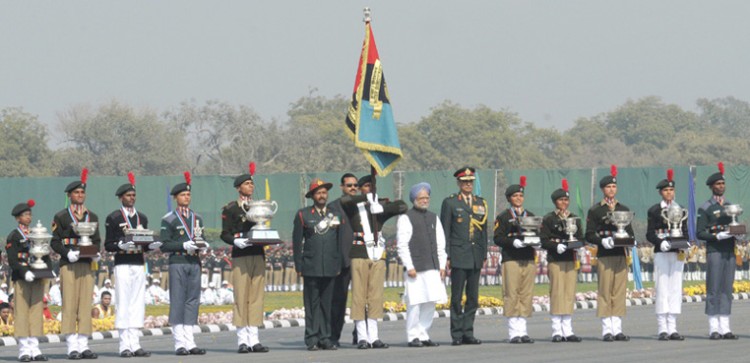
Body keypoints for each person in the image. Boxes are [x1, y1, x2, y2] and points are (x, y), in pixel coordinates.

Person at [340, 175, 408, 349]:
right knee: (359, 297)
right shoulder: (354, 206)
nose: (369, 189)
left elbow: (402, 206)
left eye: (372, 187)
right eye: (366, 187)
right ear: (361, 189)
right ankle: (362, 336)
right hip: (360, 253)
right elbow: (345, 200)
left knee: (375, 296)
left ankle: (374, 336)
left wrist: (381, 205)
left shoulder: (379, 207)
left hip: (377, 255)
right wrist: (366, 198)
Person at [104, 173, 162, 357]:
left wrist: (151, 246)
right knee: (123, 302)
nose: (132, 198)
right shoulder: (113, 217)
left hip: (138, 263)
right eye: (128, 195)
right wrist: (120, 246)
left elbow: (143, 241)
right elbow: (108, 244)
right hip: (122, 263)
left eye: (134, 195)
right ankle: (124, 345)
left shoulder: (142, 218)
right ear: (121, 197)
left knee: (137, 303)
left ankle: (135, 343)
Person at [50, 168, 101, 359]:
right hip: (69, 264)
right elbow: (54, 242)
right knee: (70, 303)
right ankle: (72, 345)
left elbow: (96, 241)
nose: (80, 195)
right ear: (69, 195)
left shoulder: (92, 216)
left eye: (82, 192)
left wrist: (95, 253)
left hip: (87, 264)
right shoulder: (61, 216)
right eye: (76, 192)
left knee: (85, 304)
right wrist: (66, 253)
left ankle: (84, 344)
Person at [219, 163, 270, 353]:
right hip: (241, 254)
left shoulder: (259, 207)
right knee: (241, 296)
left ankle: (254, 338)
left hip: (257, 254)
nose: (251, 186)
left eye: (252, 183)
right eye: (247, 184)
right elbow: (224, 234)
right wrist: (235, 241)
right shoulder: (232, 209)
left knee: (256, 297)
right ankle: (242, 339)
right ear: (239, 187)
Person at [160, 172, 208, 355]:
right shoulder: (169, 219)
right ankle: (179, 342)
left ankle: (190, 341)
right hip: (178, 261)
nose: (186, 197)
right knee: (178, 300)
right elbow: (164, 245)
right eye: (182, 195)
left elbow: (200, 237)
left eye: (188, 195)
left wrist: (203, 244)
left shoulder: (197, 218)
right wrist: (182, 244)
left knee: (193, 300)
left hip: (194, 261)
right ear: (175, 198)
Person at [292, 178, 342, 351]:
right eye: (319, 192)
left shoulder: (335, 214)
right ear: (312, 196)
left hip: (330, 265)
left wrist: (338, 264)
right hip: (311, 265)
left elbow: (339, 241)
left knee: (327, 304)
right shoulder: (303, 214)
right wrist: (298, 266)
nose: (322, 195)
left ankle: (326, 338)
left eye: (324, 192)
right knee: (312, 304)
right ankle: (312, 338)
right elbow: (297, 242)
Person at [585, 165, 633, 342]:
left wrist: (628, 240)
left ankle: (618, 328)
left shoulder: (623, 208)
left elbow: (631, 233)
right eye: (608, 187)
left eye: (614, 186)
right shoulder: (596, 210)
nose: (611, 189)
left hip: (620, 254)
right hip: (605, 254)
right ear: (602, 189)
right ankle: (607, 329)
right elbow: (588, 234)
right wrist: (602, 241)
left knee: (619, 291)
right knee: (605, 291)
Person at [441, 167, 488, 346]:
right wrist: (446, 255)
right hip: (458, 255)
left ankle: (468, 332)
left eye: (470, 182)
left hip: (475, 255)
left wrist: (483, 253)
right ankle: (456, 334)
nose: (468, 185)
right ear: (459, 183)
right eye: (464, 182)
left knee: (473, 297)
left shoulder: (480, 202)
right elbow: (446, 230)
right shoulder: (451, 203)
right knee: (456, 297)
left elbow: (483, 231)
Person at [396, 183, 447, 348]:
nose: (424, 200)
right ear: (414, 199)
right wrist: (409, 266)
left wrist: (442, 265)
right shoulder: (406, 217)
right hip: (415, 269)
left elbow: (440, 244)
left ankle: (423, 334)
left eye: (427, 197)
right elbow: (402, 245)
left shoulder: (434, 217)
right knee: (415, 303)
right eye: (421, 198)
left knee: (430, 301)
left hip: (432, 267)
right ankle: (413, 336)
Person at [697, 162, 740, 340]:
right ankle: (713, 327)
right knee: (713, 288)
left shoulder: (731, 206)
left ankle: (725, 326)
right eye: (718, 184)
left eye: (723, 184)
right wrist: (717, 237)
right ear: (711, 187)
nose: (721, 187)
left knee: (727, 289)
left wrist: (739, 234)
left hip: (729, 250)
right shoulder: (706, 208)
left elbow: (736, 227)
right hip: (715, 249)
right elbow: (700, 233)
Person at [539, 179, 583, 343]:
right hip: (556, 259)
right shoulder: (549, 219)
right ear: (555, 202)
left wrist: (578, 245)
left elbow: (581, 237)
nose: (564, 203)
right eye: (561, 200)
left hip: (570, 259)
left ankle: (568, 329)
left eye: (566, 200)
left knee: (569, 293)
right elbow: (543, 240)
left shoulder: (575, 218)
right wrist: (554, 246)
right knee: (557, 293)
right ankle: (557, 330)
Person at [645, 169, 687, 341]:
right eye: (666, 190)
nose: (669, 193)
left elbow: (684, 231)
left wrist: (686, 242)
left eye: (671, 190)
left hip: (677, 252)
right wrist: (659, 242)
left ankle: (673, 327)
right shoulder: (655, 210)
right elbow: (649, 233)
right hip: (662, 252)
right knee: (662, 287)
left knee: (675, 288)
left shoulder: (680, 209)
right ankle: (662, 327)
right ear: (660, 192)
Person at [494, 176, 536, 344]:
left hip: (527, 257)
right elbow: (498, 238)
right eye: (515, 196)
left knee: (525, 293)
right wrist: (513, 242)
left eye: (521, 196)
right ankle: (513, 331)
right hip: (511, 258)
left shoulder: (530, 216)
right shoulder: (504, 217)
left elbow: (537, 235)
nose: (519, 198)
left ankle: (523, 330)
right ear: (509, 199)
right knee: (512, 293)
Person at [6, 199, 50, 361]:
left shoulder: (36, 233)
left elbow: (45, 252)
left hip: (37, 278)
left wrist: (48, 269)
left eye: (29, 215)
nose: (28, 218)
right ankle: (24, 349)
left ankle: (35, 348)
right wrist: (25, 271)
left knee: (36, 313)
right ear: (18, 218)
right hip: (22, 279)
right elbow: (12, 260)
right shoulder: (14, 236)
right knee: (22, 312)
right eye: (25, 215)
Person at [327, 173, 358, 347]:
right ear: (342, 187)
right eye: (349, 185)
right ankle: (333, 337)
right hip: (342, 261)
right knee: (338, 301)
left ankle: (360, 335)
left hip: (361, 259)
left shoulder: (363, 205)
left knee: (362, 300)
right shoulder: (334, 208)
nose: (352, 188)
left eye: (355, 185)